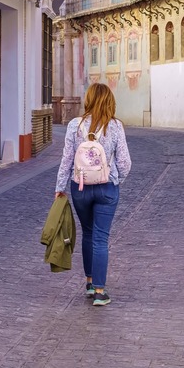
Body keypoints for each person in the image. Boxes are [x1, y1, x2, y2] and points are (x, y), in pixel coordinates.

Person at [55, 82, 131, 306]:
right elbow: (125, 163)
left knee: (88, 233)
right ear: (110, 101)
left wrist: (60, 187)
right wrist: (116, 181)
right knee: (100, 237)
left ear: (88, 100)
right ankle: (100, 291)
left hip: (80, 188)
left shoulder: (74, 126)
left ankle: (89, 282)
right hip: (106, 188)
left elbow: (67, 160)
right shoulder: (115, 126)